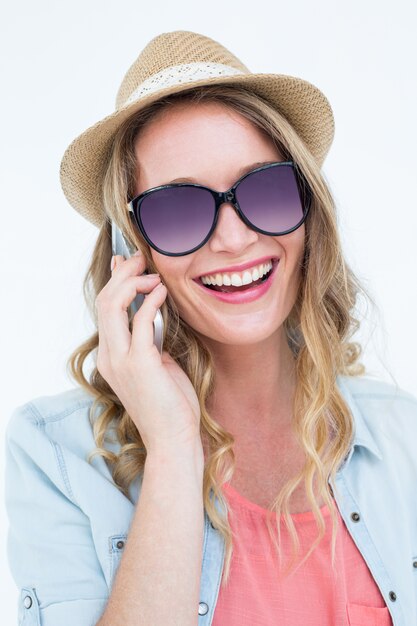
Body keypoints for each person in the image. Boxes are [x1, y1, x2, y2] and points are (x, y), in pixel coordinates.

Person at [4, 30, 417, 626]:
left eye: (265, 189)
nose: (234, 239)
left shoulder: (404, 437)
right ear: (131, 251)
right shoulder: (56, 455)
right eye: (179, 209)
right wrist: (173, 450)